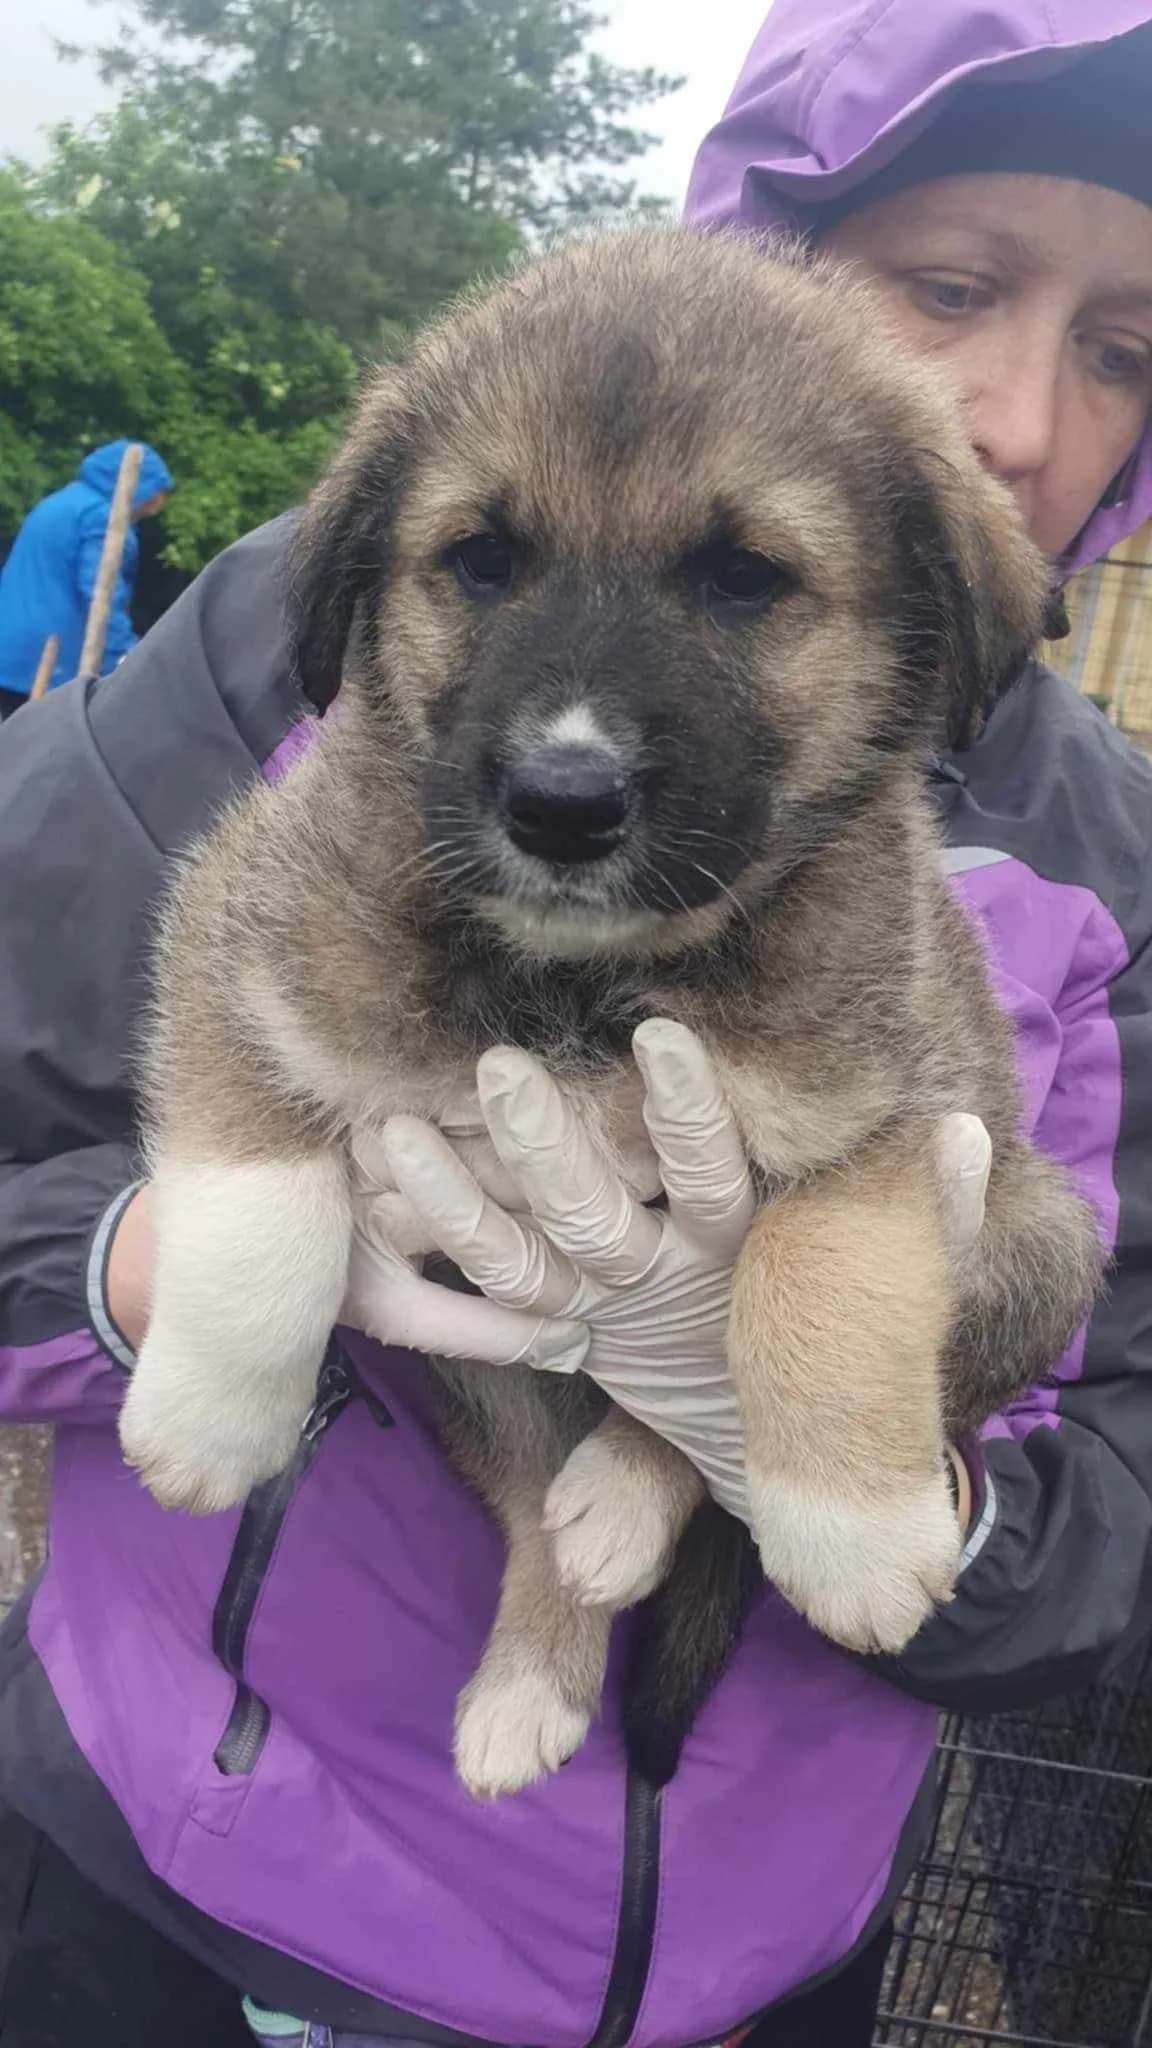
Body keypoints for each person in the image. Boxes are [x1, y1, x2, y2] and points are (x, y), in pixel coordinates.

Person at [1, 5, 1152, 2044]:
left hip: (755, 1967)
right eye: (947, 286)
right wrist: (159, 1263)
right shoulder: (296, 648)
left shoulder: (1110, 857)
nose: (1007, 410)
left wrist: (860, 1459)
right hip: (180, 1892)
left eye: (1126, 347)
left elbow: (1116, 1504)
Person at [0, 437, 172, 717]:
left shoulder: (60, 502)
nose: (155, 506)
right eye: (156, 494)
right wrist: (124, 656)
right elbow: (100, 593)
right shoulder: (103, 520)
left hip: (9, 649)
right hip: (47, 656)